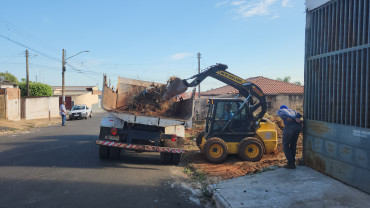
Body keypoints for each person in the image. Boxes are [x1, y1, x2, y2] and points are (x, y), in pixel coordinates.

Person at [276, 105, 302, 169]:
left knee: (285, 145)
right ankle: (292, 161)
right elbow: (299, 115)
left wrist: (287, 118)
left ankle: (291, 163)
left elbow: (279, 113)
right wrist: (296, 118)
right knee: (293, 144)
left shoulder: (281, 110)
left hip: (290, 127)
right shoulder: (293, 111)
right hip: (298, 127)